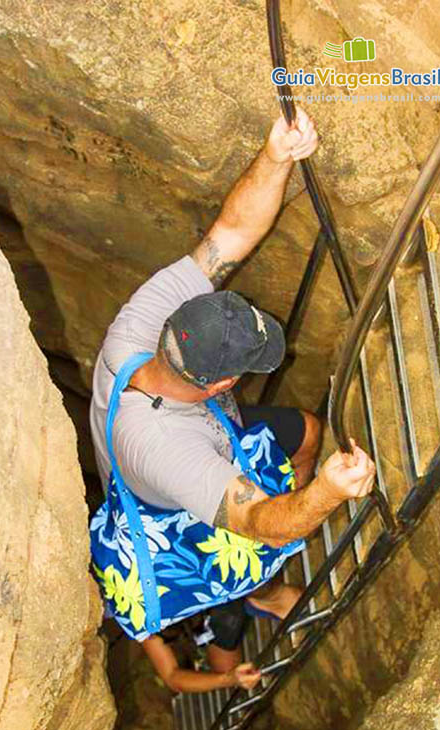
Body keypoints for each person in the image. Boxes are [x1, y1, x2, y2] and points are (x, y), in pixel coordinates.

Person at [90, 108, 376, 693]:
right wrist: (326, 492)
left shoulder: (142, 325)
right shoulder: (168, 450)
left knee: (307, 430)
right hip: (182, 502)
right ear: (220, 385)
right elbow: (253, 522)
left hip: (219, 434)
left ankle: (278, 563)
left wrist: (276, 157)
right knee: (244, 562)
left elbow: (229, 236)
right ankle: (267, 596)